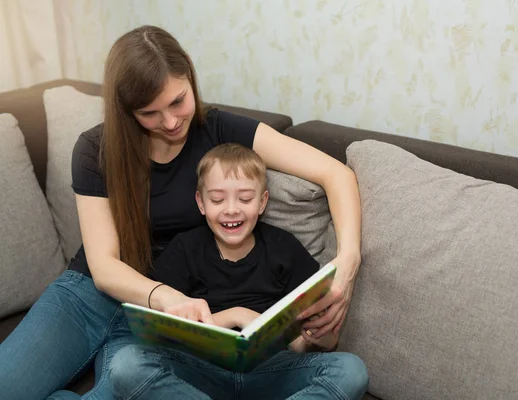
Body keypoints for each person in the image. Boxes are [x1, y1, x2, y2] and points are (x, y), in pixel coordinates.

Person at [0, 25, 362, 400]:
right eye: (149, 113)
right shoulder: (95, 149)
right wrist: (166, 297)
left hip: (156, 319)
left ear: (190, 76)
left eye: (178, 101)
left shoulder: (221, 129)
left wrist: (347, 263)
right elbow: (104, 267)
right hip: (90, 295)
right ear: (125, 108)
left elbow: (336, 174)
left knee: (128, 384)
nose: (171, 122)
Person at [108, 143, 368, 399]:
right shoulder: (184, 249)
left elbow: (300, 344)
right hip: (201, 371)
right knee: (126, 365)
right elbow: (165, 334)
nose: (231, 209)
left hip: (273, 370)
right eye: (217, 199)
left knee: (351, 370)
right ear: (201, 203)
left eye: (245, 198)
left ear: (262, 202)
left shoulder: (284, 248)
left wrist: (320, 337)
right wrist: (237, 316)